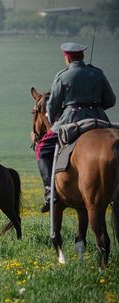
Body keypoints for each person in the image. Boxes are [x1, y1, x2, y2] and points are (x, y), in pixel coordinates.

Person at [36, 42, 116, 213]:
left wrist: (55, 115)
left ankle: (50, 191)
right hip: (99, 119)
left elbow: (52, 108)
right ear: (82, 56)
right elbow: (110, 101)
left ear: (68, 57)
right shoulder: (97, 73)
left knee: (42, 149)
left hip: (71, 119)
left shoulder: (62, 76)